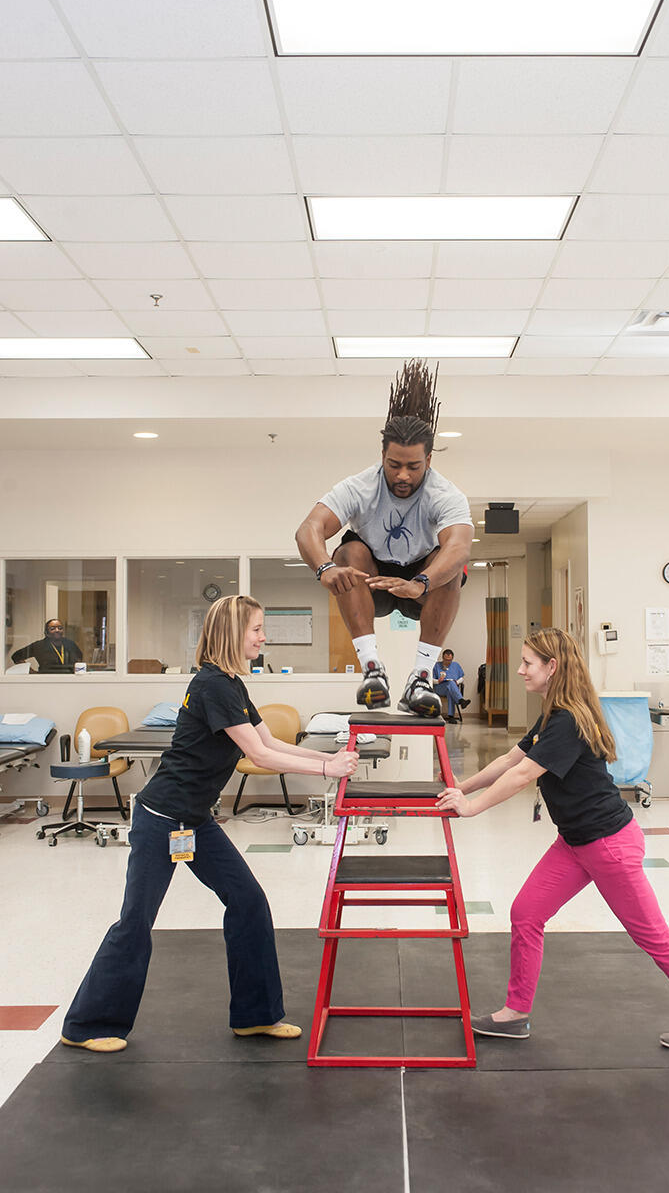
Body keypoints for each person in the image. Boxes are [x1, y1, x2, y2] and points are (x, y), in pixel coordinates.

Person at [60, 595, 358, 1053]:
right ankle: (85, 1025)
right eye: (256, 628)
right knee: (136, 922)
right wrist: (325, 772)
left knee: (248, 903)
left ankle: (256, 1016)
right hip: (162, 819)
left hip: (195, 821)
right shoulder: (213, 685)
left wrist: (328, 758)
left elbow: (268, 738)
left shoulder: (232, 683)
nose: (263, 636)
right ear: (231, 633)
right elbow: (257, 756)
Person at [437, 627, 669, 1052]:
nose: (519, 670)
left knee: (652, 935)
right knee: (526, 913)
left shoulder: (569, 719)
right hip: (575, 843)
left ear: (551, 667)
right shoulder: (553, 714)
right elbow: (509, 758)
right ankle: (515, 1014)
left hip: (609, 844)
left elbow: (523, 775)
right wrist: (461, 788)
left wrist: (472, 808)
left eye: (527, 663)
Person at [296, 359, 473, 716]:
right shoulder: (360, 485)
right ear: (382, 456)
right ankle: (373, 670)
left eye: (413, 466)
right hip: (371, 582)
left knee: (453, 567)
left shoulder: (445, 494)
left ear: (429, 459)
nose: (402, 475)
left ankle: (420, 678)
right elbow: (309, 529)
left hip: (422, 585)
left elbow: (458, 545)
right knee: (349, 553)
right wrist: (324, 568)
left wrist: (422, 582)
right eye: (394, 465)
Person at [11, 619, 83, 673]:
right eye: (52, 628)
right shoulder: (39, 646)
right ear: (46, 633)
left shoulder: (70, 644)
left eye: (60, 628)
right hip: (45, 680)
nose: (57, 630)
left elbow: (79, 659)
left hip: (68, 679)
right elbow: (16, 656)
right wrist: (32, 672)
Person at [433, 648, 471, 722]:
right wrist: (438, 681)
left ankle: (451, 717)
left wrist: (457, 682)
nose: (447, 662)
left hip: (451, 689)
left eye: (449, 660)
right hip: (440, 688)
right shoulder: (436, 665)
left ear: (452, 658)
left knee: (450, 690)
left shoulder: (456, 665)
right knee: (450, 684)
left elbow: (462, 678)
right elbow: (431, 679)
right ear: (442, 658)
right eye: (446, 660)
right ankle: (461, 700)